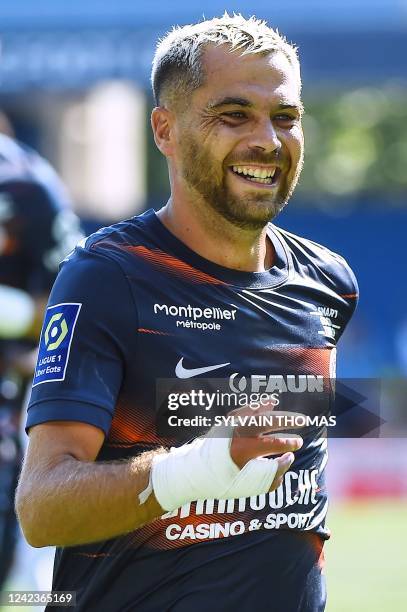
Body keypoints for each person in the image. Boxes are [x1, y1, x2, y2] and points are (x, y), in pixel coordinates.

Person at [16, 14, 358, 612]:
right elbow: (41, 508)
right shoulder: (107, 277)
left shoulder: (328, 284)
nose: (267, 141)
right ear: (165, 129)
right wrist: (200, 467)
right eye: (234, 116)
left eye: (285, 117)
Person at [0, 129, 83, 588]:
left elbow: (70, 301)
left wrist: (7, 311)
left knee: (32, 585)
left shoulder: (25, 185)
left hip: (10, 402)